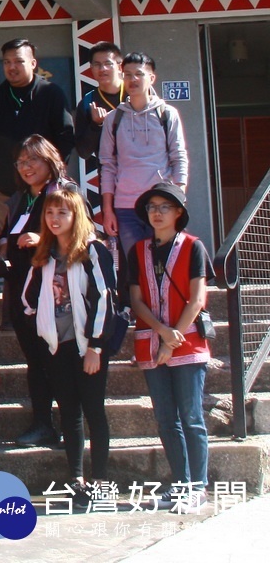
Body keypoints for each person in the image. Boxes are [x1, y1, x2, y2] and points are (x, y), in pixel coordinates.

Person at [22, 188, 114, 508]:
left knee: (94, 412)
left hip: (87, 346)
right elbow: (28, 297)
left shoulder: (93, 251)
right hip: (57, 346)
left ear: (76, 216)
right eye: (50, 213)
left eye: (63, 212)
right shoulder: (45, 255)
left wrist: (96, 347)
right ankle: (76, 479)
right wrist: (43, 323)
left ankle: (99, 479)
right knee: (69, 413)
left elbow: (105, 300)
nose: (55, 219)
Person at [127, 182, 210, 512]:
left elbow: (198, 298)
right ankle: (180, 483)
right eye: (152, 207)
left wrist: (173, 334)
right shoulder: (138, 250)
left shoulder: (193, 247)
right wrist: (162, 331)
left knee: (191, 416)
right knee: (165, 419)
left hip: (187, 341)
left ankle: (198, 486)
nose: (157, 212)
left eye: (164, 206)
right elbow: (135, 299)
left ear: (178, 213)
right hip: (151, 340)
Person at [0, 135, 78, 449]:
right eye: (21, 162)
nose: (27, 167)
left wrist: (42, 236)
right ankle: (42, 423)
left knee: (57, 359)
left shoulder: (64, 193)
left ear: (49, 160)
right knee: (35, 358)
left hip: (53, 292)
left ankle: (70, 425)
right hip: (21, 291)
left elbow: (80, 236)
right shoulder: (21, 198)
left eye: (33, 160)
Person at [100, 52, 188, 283]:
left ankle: (168, 314)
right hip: (126, 207)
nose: (133, 79)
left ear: (152, 78)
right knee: (135, 266)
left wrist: (178, 198)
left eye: (139, 74)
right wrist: (108, 210)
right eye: (127, 74)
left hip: (161, 204)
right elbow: (107, 165)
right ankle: (139, 315)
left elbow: (179, 158)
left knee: (165, 263)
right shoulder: (114, 119)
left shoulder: (167, 114)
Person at [0, 38, 75, 201]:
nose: (12, 67)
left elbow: (66, 136)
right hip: (4, 191)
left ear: (33, 63)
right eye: (7, 62)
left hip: (46, 190)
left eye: (18, 61)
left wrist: (55, 175)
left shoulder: (50, 93)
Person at [73, 42, 125, 169]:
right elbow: (83, 152)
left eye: (108, 63)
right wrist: (96, 125)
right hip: (109, 172)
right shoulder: (87, 103)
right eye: (97, 64)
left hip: (143, 169)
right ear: (91, 68)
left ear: (119, 66)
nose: (102, 69)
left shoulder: (137, 93)